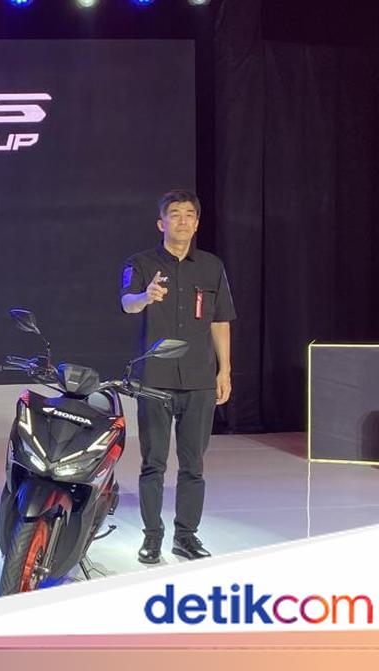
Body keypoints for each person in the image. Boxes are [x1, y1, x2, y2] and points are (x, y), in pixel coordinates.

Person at [120, 190, 235, 564]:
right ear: (161, 223)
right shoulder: (141, 263)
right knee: (153, 463)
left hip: (200, 378)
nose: (182, 220)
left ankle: (186, 536)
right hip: (155, 378)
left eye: (189, 214)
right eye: (174, 214)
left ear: (197, 223)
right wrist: (145, 296)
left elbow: (220, 321)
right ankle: (152, 538)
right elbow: (127, 303)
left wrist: (225, 370)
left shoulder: (212, 267)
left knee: (193, 465)